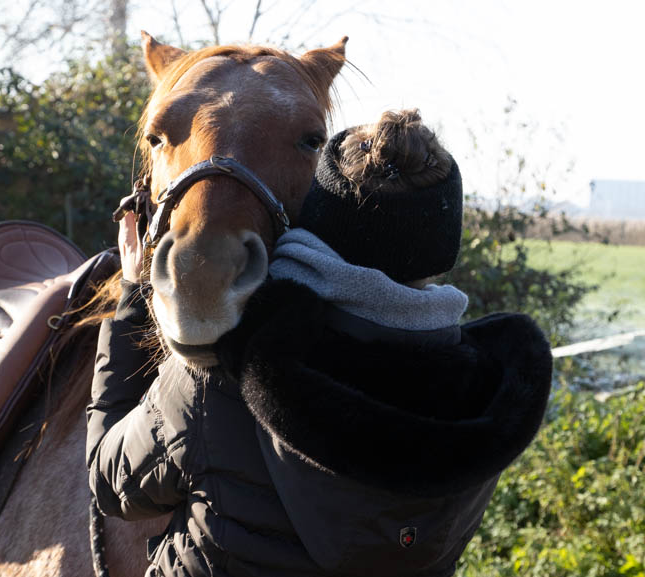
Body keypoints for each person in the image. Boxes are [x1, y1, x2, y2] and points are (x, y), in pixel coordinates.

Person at [85, 109, 553, 577]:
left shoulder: (219, 375)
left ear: (317, 219)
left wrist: (132, 292)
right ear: (440, 250)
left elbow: (109, 485)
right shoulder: (488, 392)